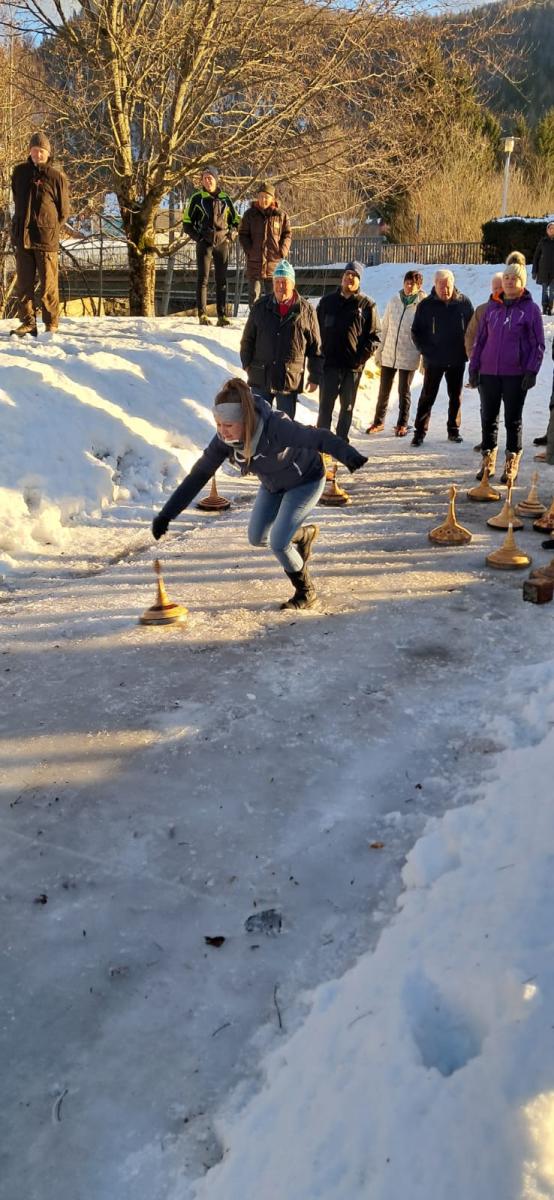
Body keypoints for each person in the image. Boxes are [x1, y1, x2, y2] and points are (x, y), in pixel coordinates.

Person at [151, 377, 367, 609]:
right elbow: (199, 475)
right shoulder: (224, 441)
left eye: (228, 426)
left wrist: (349, 456)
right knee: (257, 538)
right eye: (218, 425)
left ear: (245, 420)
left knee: (279, 543)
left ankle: (306, 591)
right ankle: (303, 535)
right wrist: (167, 515)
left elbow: (319, 437)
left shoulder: (276, 427)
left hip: (306, 480)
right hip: (272, 485)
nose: (222, 432)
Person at [468, 262, 544, 484]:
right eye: (507, 278)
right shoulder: (492, 308)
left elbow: (538, 344)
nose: (509, 281)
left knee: (512, 419)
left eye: (515, 278)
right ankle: (488, 459)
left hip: (516, 374)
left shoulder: (530, 310)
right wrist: (474, 368)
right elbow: (480, 340)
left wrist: (531, 370)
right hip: (488, 372)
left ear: (522, 283)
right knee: (488, 418)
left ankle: (512, 459)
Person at [240, 260, 322, 420]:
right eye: (277, 282)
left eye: (284, 282)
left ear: (293, 284)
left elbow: (315, 348)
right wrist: (246, 363)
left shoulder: (306, 311)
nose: (280, 286)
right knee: (258, 423)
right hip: (261, 376)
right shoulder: (260, 307)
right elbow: (248, 339)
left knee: (285, 426)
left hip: (289, 379)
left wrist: (314, 376)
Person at [10, 131, 70, 337]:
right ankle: (28, 323)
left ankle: (51, 324)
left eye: (41, 151)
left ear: (48, 153)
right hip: (22, 237)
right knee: (24, 285)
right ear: (30, 151)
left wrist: (49, 227)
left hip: (46, 239)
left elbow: (64, 212)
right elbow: (16, 199)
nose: (37, 154)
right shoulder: (19, 173)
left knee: (48, 285)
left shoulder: (56, 177)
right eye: (34, 150)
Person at [316, 261, 380, 442]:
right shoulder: (327, 302)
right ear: (342, 277)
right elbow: (315, 331)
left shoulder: (367, 305)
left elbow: (375, 337)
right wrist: (318, 356)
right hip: (329, 365)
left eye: (354, 275)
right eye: (347, 274)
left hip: (352, 369)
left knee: (347, 408)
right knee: (325, 407)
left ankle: (341, 441)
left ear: (359, 280)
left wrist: (359, 359)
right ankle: (323, 442)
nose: (350, 278)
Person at [409, 269, 473, 446]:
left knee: (456, 396)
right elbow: (416, 332)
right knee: (427, 396)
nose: (446, 290)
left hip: (457, 358)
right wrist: (426, 351)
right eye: (442, 286)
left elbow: (472, 329)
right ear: (435, 285)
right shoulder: (426, 305)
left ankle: (453, 429)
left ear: (453, 284)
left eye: (448, 286)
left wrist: (468, 350)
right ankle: (419, 432)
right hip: (434, 359)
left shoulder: (464, 303)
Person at [367, 269, 424, 437]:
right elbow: (385, 327)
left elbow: (425, 333)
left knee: (403, 391)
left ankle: (402, 423)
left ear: (419, 286)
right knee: (383, 390)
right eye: (407, 283)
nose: (409, 286)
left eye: (413, 284)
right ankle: (378, 421)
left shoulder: (423, 305)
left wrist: (423, 358)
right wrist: (380, 351)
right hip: (389, 353)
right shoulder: (394, 300)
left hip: (409, 354)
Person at [182, 166, 240, 327]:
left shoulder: (225, 199)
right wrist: (199, 238)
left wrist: (231, 235)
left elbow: (236, 221)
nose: (207, 181)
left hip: (222, 243)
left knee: (222, 280)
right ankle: (202, 314)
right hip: (204, 243)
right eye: (204, 178)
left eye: (210, 178)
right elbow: (187, 223)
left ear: (216, 179)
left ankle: (222, 316)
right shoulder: (197, 198)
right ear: (202, 181)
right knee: (203, 279)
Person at [238, 182, 292, 308]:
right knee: (253, 296)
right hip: (254, 262)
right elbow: (243, 234)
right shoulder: (249, 214)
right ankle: (254, 319)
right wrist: (249, 250)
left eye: (266, 197)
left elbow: (287, 234)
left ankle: (272, 319)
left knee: (274, 296)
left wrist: (282, 251)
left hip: (274, 263)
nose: (263, 200)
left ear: (272, 198)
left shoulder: (281, 215)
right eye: (261, 196)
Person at [532, 221, 554, 315]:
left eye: (553, 228)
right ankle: (544, 307)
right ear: (547, 230)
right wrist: (534, 271)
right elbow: (536, 256)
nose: (552, 230)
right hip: (543, 271)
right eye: (550, 228)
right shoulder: (543, 241)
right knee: (544, 290)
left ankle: (550, 307)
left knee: (552, 290)